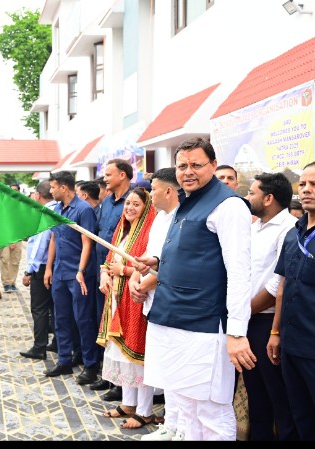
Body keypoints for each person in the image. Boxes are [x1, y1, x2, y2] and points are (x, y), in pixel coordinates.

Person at [137, 137, 255, 441]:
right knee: (185, 408)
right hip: (171, 319)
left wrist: (236, 333)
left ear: (213, 166)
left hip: (205, 326)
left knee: (211, 412)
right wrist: (156, 261)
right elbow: (193, 252)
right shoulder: (186, 201)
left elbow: (239, 272)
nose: (188, 171)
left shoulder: (228, 206)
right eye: (182, 166)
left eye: (196, 165)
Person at [241, 172, 298, 440]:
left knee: (279, 396)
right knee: (256, 394)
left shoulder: (289, 228)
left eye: (252, 193)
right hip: (248, 320)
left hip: (268, 322)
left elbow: (279, 283)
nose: (247, 197)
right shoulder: (254, 228)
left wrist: (247, 310)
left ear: (268, 198)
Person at [126, 167, 182, 440]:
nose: (150, 194)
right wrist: (135, 279)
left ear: (169, 191)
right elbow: (150, 255)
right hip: (153, 304)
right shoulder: (160, 218)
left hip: (172, 304)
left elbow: (174, 263)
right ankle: (170, 424)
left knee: (177, 370)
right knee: (163, 368)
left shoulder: (182, 219)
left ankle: (179, 425)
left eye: (154, 189)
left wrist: (146, 283)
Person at [97, 187, 157, 429]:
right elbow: (108, 261)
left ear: (146, 208)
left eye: (136, 204)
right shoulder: (122, 229)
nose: (130, 208)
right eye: (128, 203)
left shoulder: (150, 232)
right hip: (116, 299)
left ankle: (145, 411)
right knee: (122, 354)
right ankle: (128, 404)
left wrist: (122, 270)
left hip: (135, 299)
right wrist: (104, 275)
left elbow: (152, 268)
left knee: (138, 354)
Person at [268, 161, 315, 440]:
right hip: (291, 344)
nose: (307, 189)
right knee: (300, 416)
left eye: (314, 184)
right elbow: (283, 286)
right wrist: (275, 333)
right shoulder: (292, 234)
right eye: (304, 184)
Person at [43, 171, 100, 385]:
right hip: (59, 272)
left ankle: (90, 365)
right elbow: (54, 239)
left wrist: (81, 270)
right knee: (61, 318)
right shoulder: (58, 209)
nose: (51, 191)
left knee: (83, 319)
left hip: (78, 274)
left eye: (53, 187)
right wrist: (49, 268)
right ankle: (64, 360)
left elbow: (87, 242)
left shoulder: (83, 209)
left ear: (64, 187)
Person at [90, 159, 133, 401]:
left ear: (123, 175)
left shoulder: (134, 200)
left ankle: (121, 384)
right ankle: (108, 375)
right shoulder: (106, 202)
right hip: (104, 270)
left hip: (123, 273)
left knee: (120, 326)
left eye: (108, 174)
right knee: (103, 323)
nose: (104, 179)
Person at [19, 181, 58, 360]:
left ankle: (39, 347)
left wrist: (29, 271)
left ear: (38, 195)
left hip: (42, 267)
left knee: (40, 309)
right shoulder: (59, 208)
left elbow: (40, 246)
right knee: (54, 307)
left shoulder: (45, 213)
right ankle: (57, 342)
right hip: (55, 266)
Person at [0, 183, 23, 293]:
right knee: (5, 259)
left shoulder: (21, 205)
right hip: (5, 236)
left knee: (15, 261)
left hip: (17, 236)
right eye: (11, 190)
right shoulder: (4, 204)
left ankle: (13, 283)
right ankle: (6, 283)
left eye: (16, 190)